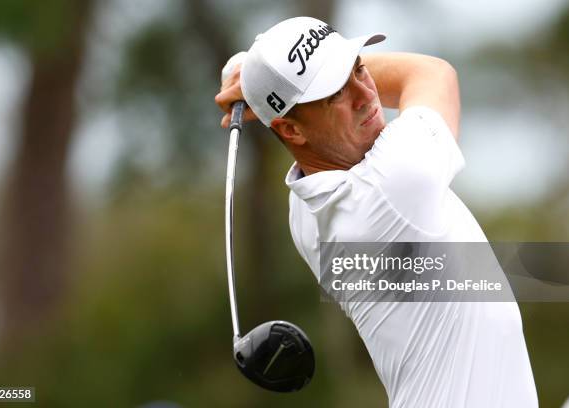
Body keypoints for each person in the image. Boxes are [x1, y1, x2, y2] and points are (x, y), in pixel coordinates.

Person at [215, 16, 538, 407]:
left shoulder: (303, 209)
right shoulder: (393, 183)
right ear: (291, 131)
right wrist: (257, 73)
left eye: (359, 68)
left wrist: (264, 81)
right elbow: (431, 73)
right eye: (335, 91)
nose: (365, 94)